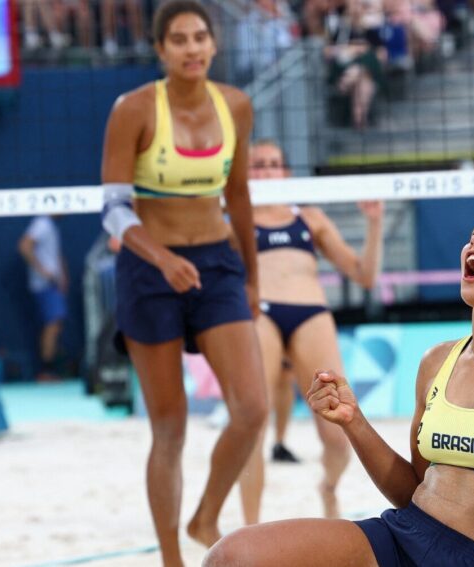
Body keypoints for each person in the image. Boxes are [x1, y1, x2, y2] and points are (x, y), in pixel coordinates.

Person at [205, 208, 474, 567]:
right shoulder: (436, 362)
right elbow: (412, 491)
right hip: (405, 535)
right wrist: (354, 422)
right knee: (232, 556)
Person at [99, 2, 267, 565]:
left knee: (252, 408)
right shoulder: (135, 109)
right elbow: (115, 212)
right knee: (168, 426)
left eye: (200, 37)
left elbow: (238, 195)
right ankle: (171, 557)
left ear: (214, 45)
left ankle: (204, 516)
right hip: (149, 269)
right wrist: (162, 257)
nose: (192, 48)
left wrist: (250, 276)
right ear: (161, 50)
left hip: (217, 265)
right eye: (179, 39)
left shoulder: (235, 105)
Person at [238, 140, 384, 525]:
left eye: (273, 164)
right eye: (258, 165)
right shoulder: (235, 217)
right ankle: (249, 528)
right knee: (253, 424)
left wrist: (373, 222)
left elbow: (364, 275)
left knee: (339, 430)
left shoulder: (310, 216)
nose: (266, 171)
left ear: (285, 173)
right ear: (246, 173)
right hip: (259, 311)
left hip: (309, 313)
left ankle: (329, 487)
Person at [19, 215, 67, 381]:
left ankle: (50, 367)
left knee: (56, 324)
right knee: (52, 324)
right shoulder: (42, 224)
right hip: (44, 284)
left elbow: (55, 255)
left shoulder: (51, 226)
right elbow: (25, 245)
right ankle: (46, 371)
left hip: (52, 284)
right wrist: (43, 271)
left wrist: (61, 276)